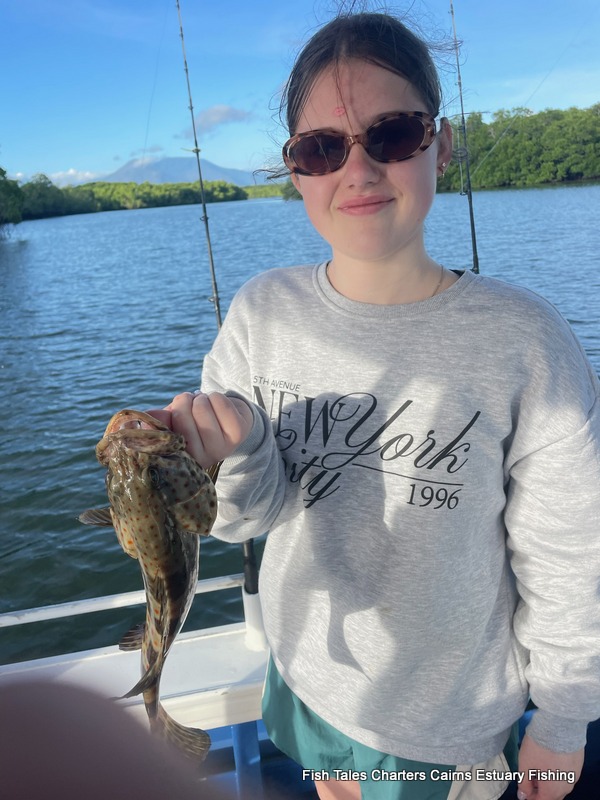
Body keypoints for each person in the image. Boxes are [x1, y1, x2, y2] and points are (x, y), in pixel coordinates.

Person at [151, 12, 600, 800]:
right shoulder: (261, 313)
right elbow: (236, 520)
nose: (355, 171)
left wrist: (563, 719)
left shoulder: (525, 341)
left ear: (442, 143)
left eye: (391, 135)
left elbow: (571, 555)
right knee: (329, 789)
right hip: (304, 688)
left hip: (442, 730)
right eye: (321, 148)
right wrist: (245, 447)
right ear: (295, 169)